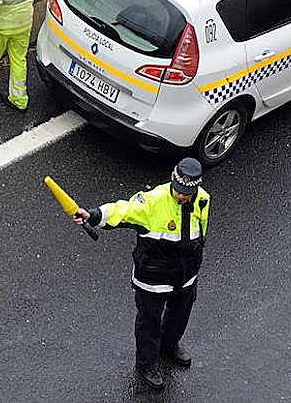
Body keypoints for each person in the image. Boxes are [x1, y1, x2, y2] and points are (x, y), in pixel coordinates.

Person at [72, 158, 211, 392]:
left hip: (186, 275)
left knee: (180, 314)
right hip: (153, 280)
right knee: (149, 324)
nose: (182, 196)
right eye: (178, 191)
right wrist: (93, 215)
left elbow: (201, 230)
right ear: (171, 179)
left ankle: (169, 346)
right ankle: (146, 364)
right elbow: (122, 210)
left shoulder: (203, 199)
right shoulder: (151, 202)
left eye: (187, 193)